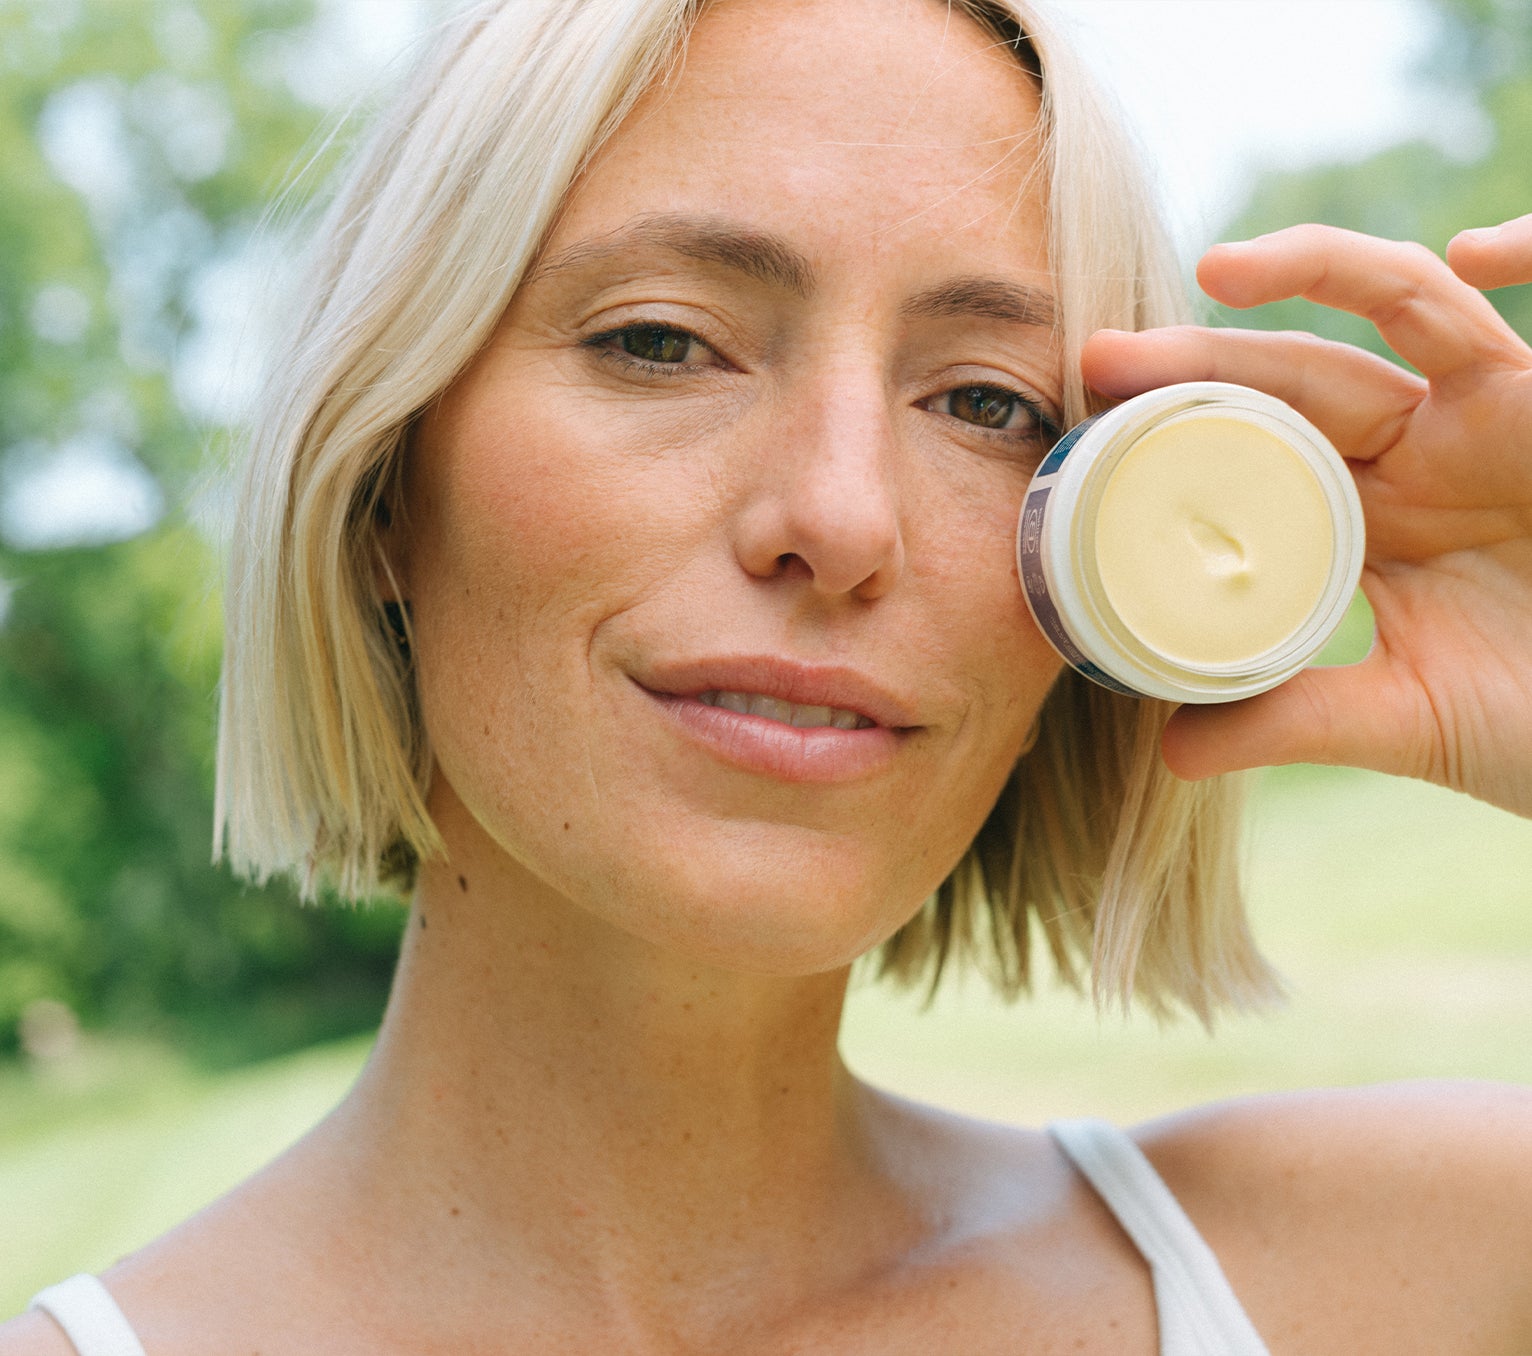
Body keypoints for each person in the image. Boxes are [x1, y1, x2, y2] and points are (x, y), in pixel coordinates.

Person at [7, 0, 1532, 1351]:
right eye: (666, 343)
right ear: (390, 476)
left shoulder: (1428, 1275)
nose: (843, 517)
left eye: (988, 400)